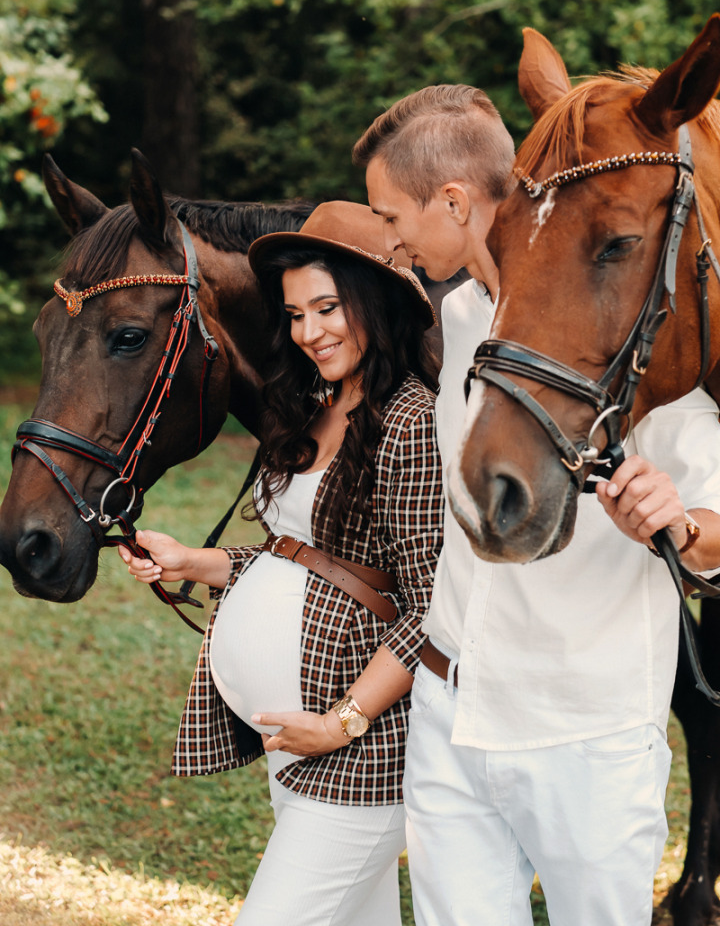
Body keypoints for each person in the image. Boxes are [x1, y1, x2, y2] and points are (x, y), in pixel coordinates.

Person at [353, 85, 720, 925]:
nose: (389, 239)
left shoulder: (629, 320)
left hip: (584, 731)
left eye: (390, 215)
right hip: (452, 708)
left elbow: (714, 533)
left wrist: (680, 521)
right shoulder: (457, 317)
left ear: (450, 201)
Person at [118, 200, 444, 926]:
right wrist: (191, 560)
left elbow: (431, 607)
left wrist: (342, 723)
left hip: (359, 753)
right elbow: (294, 560)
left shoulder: (414, 422)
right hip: (296, 745)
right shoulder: (316, 406)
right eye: (296, 315)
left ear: (376, 303)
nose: (309, 332)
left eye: (327, 308)